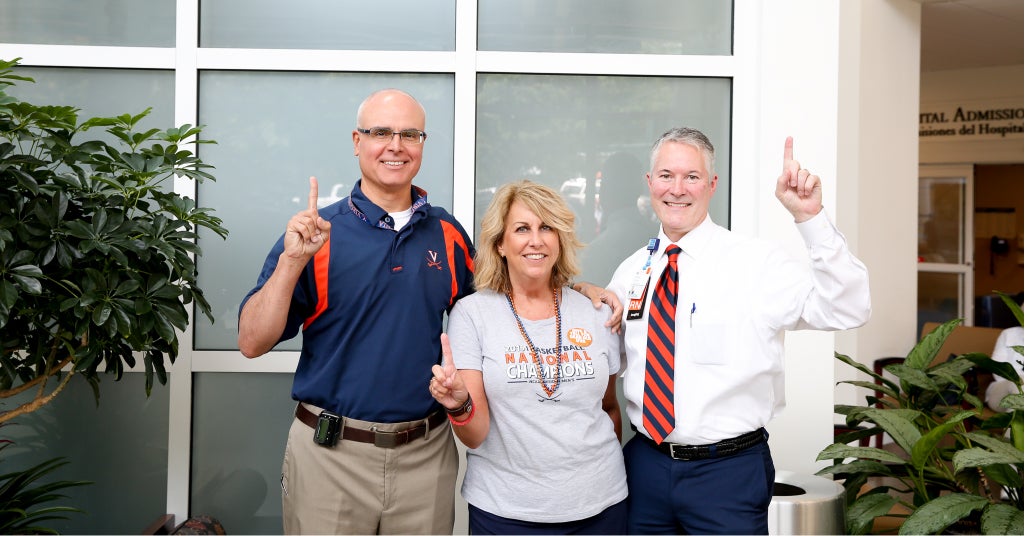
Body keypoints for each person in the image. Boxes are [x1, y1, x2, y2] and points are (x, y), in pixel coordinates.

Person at [595, 127, 871, 534]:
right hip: (645, 466)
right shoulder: (632, 269)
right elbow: (603, 359)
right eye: (666, 175)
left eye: (691, 177)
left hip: (727, 473)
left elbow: (847, 308)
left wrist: (810, 218)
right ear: (649, 183)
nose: (677, 188)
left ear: (711, 185)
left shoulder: (756, 264)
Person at [237, 89, 476, 534]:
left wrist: (578, 291)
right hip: (331, 457)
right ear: (356, 141)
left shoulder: (448, 234)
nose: (395, 145)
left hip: (426, 454)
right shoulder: (316, 234)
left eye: (410, 134)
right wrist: (293, 260)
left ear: (422, 144)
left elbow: (500, 309)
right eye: (380, 132)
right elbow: (252, 341)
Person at [428, 180, 628, 535]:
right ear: (500, 244)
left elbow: (609, 409)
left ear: (560, 239)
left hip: (601, 508)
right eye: (522, 229)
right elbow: (475, 436)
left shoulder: (595, 311)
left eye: (546, 227)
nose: (536, 240)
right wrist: (458, 405)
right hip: (505, 512)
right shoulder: (472, 314)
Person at [578, 151, 657, 286]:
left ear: (604, 190)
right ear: (639, 189)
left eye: (602, 183)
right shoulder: (661, 236)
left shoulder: (594, 253)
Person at [985, 324, 1024, 412]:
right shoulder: (1009, 334)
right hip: (1002, 390)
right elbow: (998, 370)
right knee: (1021, 382)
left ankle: (1014, 424)